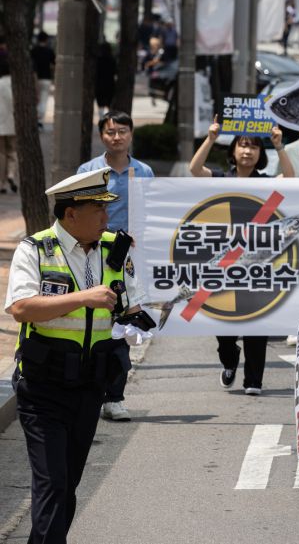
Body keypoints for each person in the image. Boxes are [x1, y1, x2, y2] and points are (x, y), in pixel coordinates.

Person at [5, 168, 146, 543]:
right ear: (72, 214)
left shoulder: (114, 248)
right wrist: (84, 297)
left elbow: (127, 303)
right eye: (98, 209)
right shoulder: (35, 248)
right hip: (43, 388)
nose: (106, 218)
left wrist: (137, 319)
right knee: (52, 484)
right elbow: (21, 308)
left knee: (67, 486)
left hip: (90, 387)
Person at [189, 117, 293, 394]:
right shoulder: (221, 179)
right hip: (224, 263)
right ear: (233, 150)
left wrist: (279, 147)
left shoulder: (266, 183)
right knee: (224, 327)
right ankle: (230, 359)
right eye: (242, 145)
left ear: (261, 155)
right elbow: (194, 169)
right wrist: (210, 138)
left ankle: (254, 381)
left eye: (254, 147)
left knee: (257, 321)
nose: (247, 151)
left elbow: (292, 179)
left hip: (257, 264)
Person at [78, 111, 155, 421]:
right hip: (94, 253)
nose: (117, 137)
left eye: (122, 131)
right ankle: (92, 392)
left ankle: (116, 398)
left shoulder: (144, 171)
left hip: (131, 261)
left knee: (124, 326)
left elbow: (152, 210)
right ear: (102, 136)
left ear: (131, 134)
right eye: (111, 132)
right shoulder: (89, 170)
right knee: (96, 324)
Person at [0, 52, 18, 194]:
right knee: (12, 152)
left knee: (1, 153)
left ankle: (2, 184)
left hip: (0, 124)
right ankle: (11, 174)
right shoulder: (16, 85)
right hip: (13, 123)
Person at [30, 31, 55, 127]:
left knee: (35, 99)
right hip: (46, 78)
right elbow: (54, 64)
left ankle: (35, 119)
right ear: (46, 39)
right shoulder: (49, 51)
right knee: (43, 100)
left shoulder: (33, 51)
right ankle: (39, 120)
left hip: (34, 78)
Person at [95, 42, 117, 117]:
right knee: (109, 104)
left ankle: (102, 120)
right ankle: (109, 119)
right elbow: (115, 72)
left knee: (100, 105)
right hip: (110, 84)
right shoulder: (112, 60)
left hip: (99, 85)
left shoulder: (98, 60)